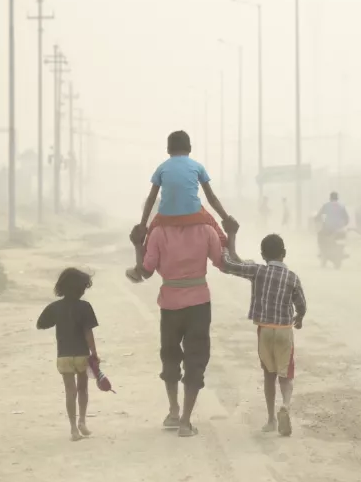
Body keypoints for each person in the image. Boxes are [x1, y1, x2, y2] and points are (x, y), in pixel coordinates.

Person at [139, 213, 227, 438]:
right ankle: (186, 421)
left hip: (169, 303)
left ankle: (173, 411)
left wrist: (136, 245)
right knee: (195, 358)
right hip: (198, 303)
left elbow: (145, 269)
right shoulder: (206, 230)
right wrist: (231, 235)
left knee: (169, 355)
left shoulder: (158, 232)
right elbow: (222, 261)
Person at [221, 231, 306, 437]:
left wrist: (223, 249)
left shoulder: (257, 271)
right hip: (285, 331)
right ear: (284, 253)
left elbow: (230, 266)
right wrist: (300, 318)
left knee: (269, 375)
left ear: (263, 255)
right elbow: (301, 304)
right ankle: (285, 405)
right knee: (286, 374)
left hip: (265, 330)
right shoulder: (292, 277)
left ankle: (270, 420)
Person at [127, 130, 237, 283]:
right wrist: (226, 219)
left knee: (149, 239)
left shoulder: (162, 168)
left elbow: (152, 198)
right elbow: (211, 198)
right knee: (219, 235)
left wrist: (143, 225)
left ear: (168, 150)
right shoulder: (197, 166)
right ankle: (232, 254)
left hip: (166, 216)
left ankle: (141, 268)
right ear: (190, 148)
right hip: (195, 214)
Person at [36, 268, 100, 442]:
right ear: (81, 288)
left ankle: (73, 428)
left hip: (63, 355)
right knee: (83, 389)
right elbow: (88, 333)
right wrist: (94, 353)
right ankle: (82, 422)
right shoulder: (85, 307)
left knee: (70, 391)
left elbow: (41, 324)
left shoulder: (55, 307)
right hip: (82, 355)